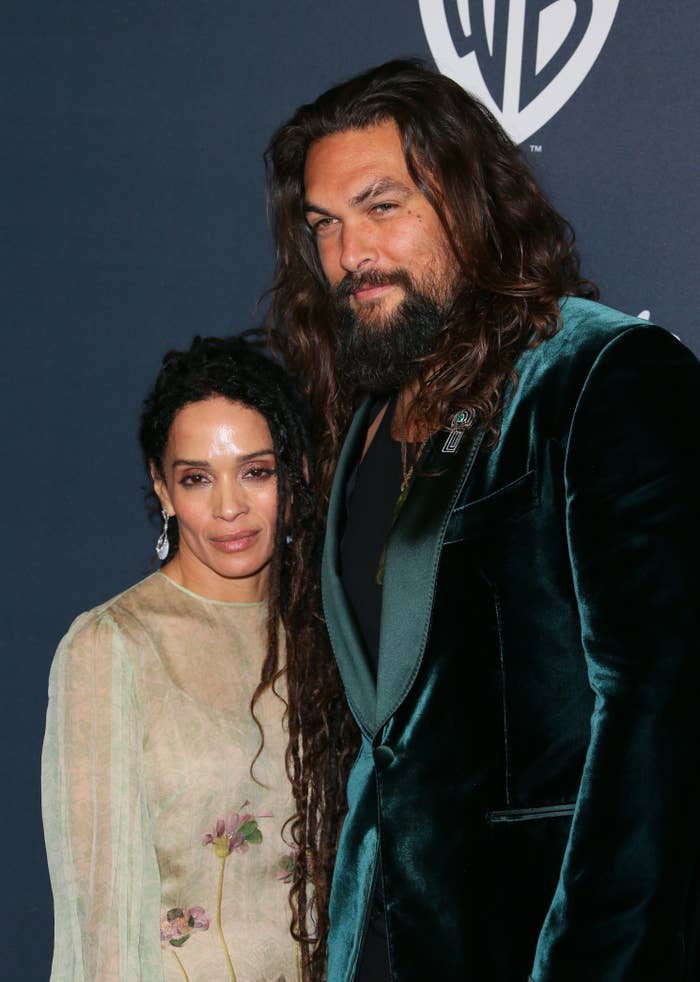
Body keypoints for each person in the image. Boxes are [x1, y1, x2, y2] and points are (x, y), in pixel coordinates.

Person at [265, 59, 700, 981]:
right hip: (387, 938)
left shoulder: (602, 376)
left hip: (543, 941)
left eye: (382, 207)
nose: (349, 256)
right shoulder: (367, 418)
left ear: (470, 201)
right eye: (325, 227)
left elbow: (659, 716)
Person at [41, 335, 358, 981]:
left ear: (291, 476)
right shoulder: (111, 647)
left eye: (256, 471)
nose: (229, 508)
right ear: (162, 490)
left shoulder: (329, 634)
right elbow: (99, 919)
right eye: (195, 478)